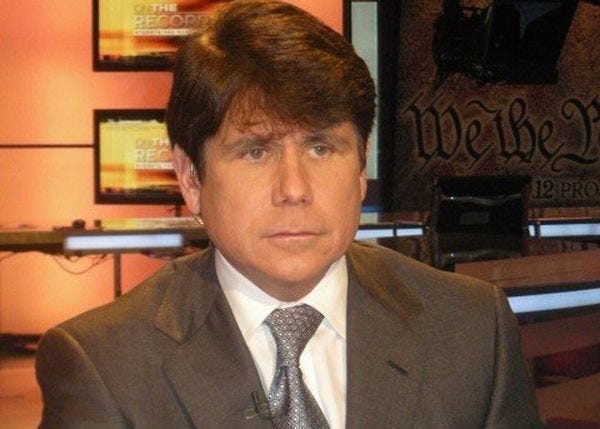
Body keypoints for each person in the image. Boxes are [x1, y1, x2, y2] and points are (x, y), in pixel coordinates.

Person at [35, 1, 542, 428]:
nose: (295, 190)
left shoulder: (473, 328)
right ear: (191, 177)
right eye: (255, 151)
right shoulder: (104, 365)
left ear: (360, 166)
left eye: (321, 148)